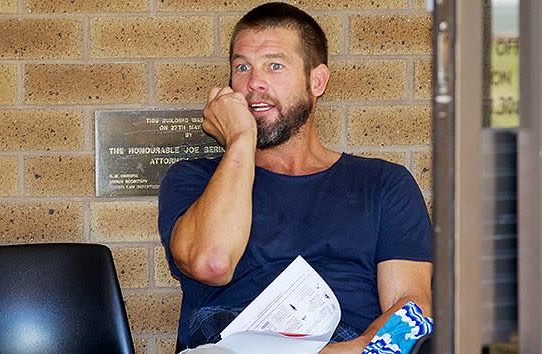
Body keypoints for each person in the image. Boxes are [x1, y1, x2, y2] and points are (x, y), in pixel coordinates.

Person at [158, 2, 433, 353]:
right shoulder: (193, 180)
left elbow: (412, 304)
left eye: (274, 65)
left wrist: (361, 347)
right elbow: (212, 262)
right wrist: (241, 141)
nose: (254, 83)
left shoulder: (383, 183)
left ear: (316, 81)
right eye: (242, 67)